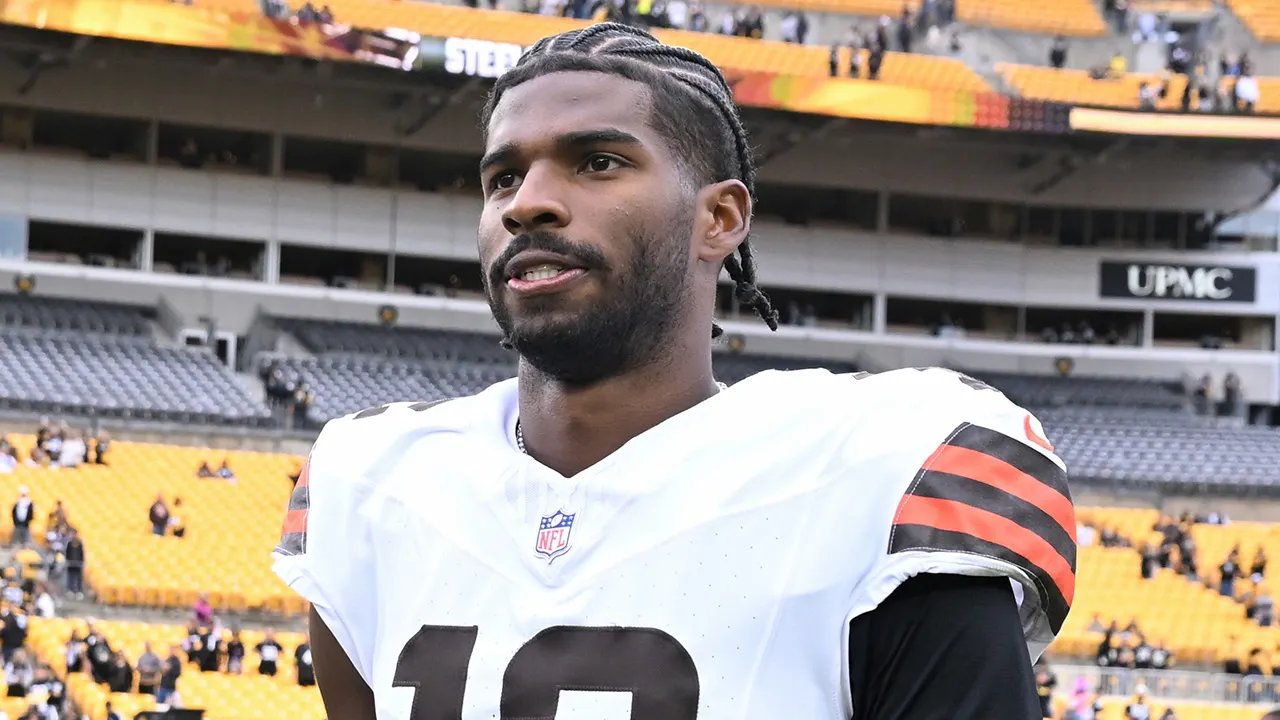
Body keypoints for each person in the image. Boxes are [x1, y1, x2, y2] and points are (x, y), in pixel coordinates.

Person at [273, 23, 1077, 720]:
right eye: (503, 178)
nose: (528, 204)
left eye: (596, 162)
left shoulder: (887, 475)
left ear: (719, 219)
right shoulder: (371, 484)